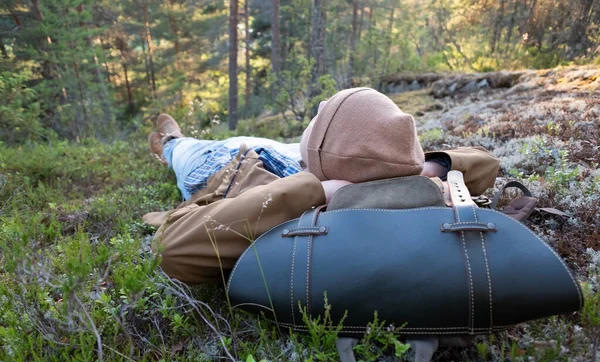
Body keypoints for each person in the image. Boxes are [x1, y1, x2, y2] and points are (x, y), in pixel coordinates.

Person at [144, 88, 500, 285]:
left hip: (222, 166)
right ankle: (177, 139)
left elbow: (170, 250)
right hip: (287, 157)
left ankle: (170, 141)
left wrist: (317, 190)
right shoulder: (381, 172)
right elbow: (486, 162)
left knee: (189, 148)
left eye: (318, 119)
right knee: (250, 139)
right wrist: (421, 168)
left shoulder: (316, 203)